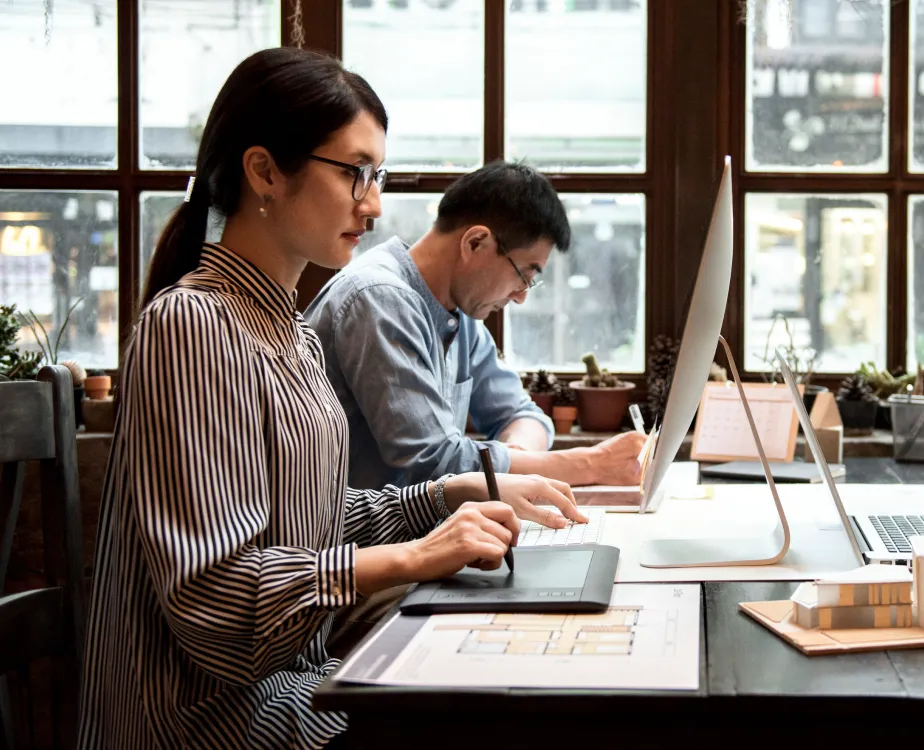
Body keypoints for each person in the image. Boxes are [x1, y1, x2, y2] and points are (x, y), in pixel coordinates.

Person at [78, 48, 583, 750]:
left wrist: (447, 496)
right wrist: (415, 556)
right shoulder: (191, 324)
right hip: (205, 720)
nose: (373, 205)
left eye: (376, 177)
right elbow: (217, 603)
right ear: (264, 171)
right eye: (354, 173)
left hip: (289, 682)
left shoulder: (292, 331)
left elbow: (309, 515)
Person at [305, 161, 647, 491]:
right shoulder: (378, 299)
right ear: (475, 243)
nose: (520, 297)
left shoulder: (458, 316)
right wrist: (589, 464)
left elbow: (520, 413)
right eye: (524, 274)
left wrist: (518, 462)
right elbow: (434, 462)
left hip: (423, 539)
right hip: (360, 545)